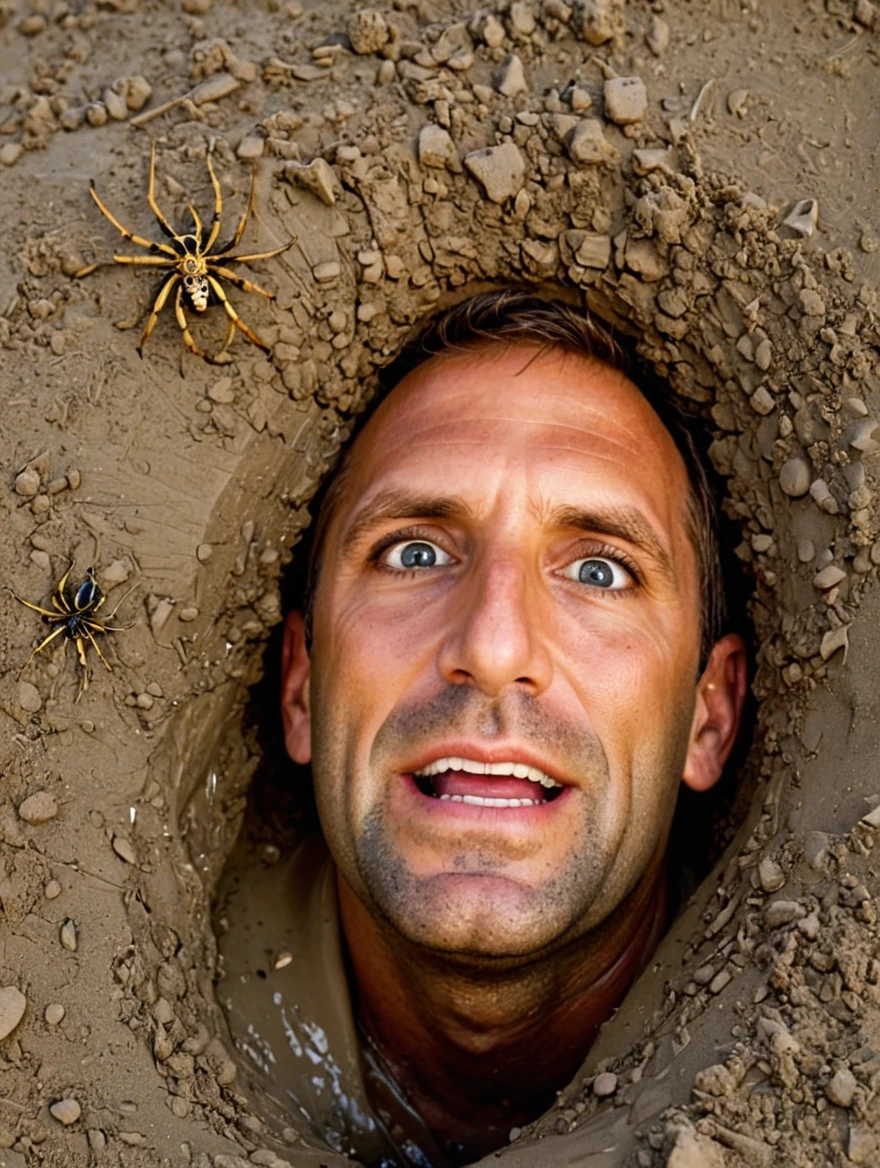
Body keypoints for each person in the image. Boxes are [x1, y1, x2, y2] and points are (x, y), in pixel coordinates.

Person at [221, 290, 747, 1168]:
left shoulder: (792, 1038)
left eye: (598, 570)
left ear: (710, 715)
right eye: (414, 553)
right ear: (302, 687)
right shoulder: (166, 993)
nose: (494, 647)